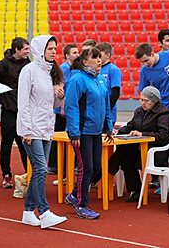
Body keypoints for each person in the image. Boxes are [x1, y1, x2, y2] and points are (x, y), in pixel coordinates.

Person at [17, 35, 67, 228]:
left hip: (46, 127)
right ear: (40, 50)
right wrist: (26, 130)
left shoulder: (51, 72)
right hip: (31, 129)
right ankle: (44, 212)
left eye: (55, 48)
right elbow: (23, 102)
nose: (54, 51)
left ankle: (28, 211)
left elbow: (50, 104)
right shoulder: (28, 71)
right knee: (40, 169)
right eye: (50, 48)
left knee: (40, 170)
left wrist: (59, 98)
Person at [64, 47, 113, 220]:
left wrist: (108, 126)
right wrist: (74, 132)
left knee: (96, 167)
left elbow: (106, 104)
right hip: (83, 132)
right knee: (86, 168)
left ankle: (73, 195)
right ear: (85, 61)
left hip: (96, 131)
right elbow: (71, 107)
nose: (99, 60)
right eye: (94, 57)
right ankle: (82, 205)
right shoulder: (77, 79)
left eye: (99, 57)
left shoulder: (100, 79)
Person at [100, 86, 169, 202]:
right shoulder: (139, 111)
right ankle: (136, 189)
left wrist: (143, 134)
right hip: (140, 149)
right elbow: (130, 126)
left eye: (146, 101)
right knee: (125, 152)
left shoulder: (164, 114)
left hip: (156, 151)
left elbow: (164, 135)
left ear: (154, 101)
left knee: (124, 153)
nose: (143, 103)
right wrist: (117, 132)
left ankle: (102, 173)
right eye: (141, 100)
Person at [0, 37, 30, 189]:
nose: (28, 51)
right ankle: (6, 175)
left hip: (23, 111)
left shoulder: (27, 63)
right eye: (25, 49)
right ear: (17, 50)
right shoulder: (3, 65)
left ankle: (27, 174)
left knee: (24, 144)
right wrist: (3, 98)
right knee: (6, 144)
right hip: (9, 111)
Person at [49, 44, 79, 175]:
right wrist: (63, 106)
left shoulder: (70, 68)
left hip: (64, 107)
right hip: (62, 109)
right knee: (60, 137)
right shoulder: (65, 68)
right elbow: (61, 87)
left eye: (78, 52)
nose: (77, 54)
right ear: (67, 55)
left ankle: (57, 165)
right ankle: (56, 165)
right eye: (74, 52)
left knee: (61, 136)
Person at [97, 42, 122, 124]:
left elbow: (115, 93)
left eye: (100, 54)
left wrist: (106, 109)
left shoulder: (113, 70)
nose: (97, 57)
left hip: (108, 114)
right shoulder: (96, 69)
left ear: (107, 55)